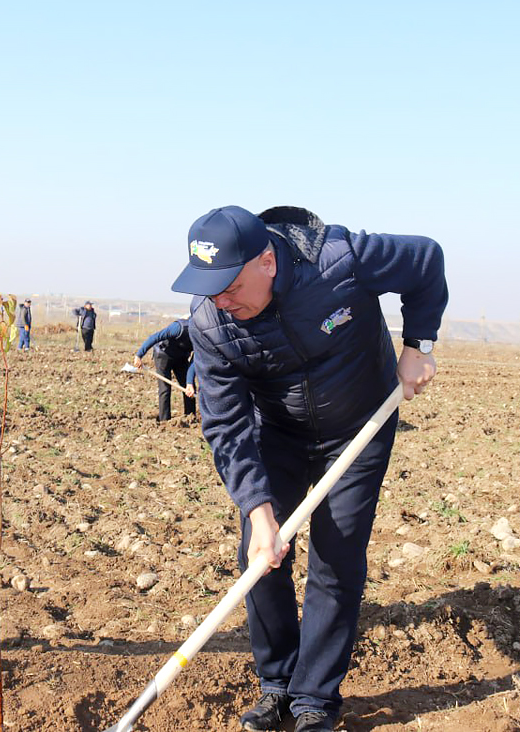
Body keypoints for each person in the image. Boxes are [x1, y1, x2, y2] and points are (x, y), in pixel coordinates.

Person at [172, 206, 446, 732]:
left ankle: (314, 698)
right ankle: (276, 685)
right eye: (208, 288)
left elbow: (426, 260)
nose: (219, 300)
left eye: (228, 285)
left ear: (268, 261)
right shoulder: (210, 324)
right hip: (276, 432)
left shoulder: (342, 260)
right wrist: (258, 511)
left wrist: (418, 344)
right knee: (260, 557)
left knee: (336, 558)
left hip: (359, 427)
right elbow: (226, 427)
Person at [133, 317, 196, 421]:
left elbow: (195, 361)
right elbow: (155, 337)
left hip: (181, 357)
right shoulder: (179, 327)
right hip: (163, 355)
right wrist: (139, 355)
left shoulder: (203, 337)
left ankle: (190, 417)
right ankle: (165, 420)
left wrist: (189, 383)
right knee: (165, 389)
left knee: (189, 387)